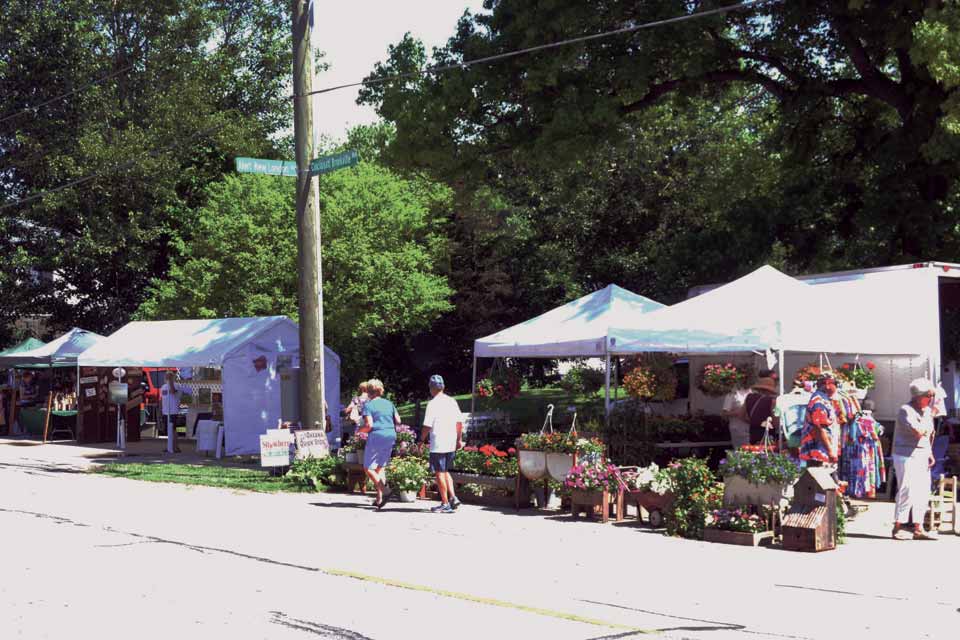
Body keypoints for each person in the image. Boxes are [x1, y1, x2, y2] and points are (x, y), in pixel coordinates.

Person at [891, 379, 938, 541]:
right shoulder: (906, 410)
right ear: (918, 396)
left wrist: (929, 452)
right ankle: (898, 526)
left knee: (923, 491)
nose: (931, 399)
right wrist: (929, 417)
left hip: (921, 454)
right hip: (906, 455)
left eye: (931, 395)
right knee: (907, 490)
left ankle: (919, 527)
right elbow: (918, 432)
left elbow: (929, 435)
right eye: (928, 396)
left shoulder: (926, 411)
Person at [420, 374, 464, 514]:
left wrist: (421, 440)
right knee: (445, 471)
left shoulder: (432, 404)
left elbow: (427, 425)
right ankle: (453, 497)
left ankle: (445, 503)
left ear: (431, 388)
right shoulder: (452, 401)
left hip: (438, 441)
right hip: (451, 441)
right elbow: (459, 423)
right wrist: (459, 440)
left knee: (439, 473)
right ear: (443, 387)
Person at [361, 379, 401, 510]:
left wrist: (359, 431)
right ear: (381, 390)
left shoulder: (368, 405)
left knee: (368, 468)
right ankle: (380, 498)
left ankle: (386, 491)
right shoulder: (389, 403)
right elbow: (398, 421)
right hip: (390, 434)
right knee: (380, 467)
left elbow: (369, 425)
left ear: (368, 391)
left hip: (377, 435)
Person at [800, 372, 841, 466]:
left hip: (821, 451)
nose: (837, 388)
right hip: (818, 453)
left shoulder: (823, 399)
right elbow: (819, 427)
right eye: (836, 384)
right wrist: (830, 451)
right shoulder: (819, 401)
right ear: (827, 384)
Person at [742, 375, 780, 445]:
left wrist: (756, 422)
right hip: (767, 433)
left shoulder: (749, 397)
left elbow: (742, 416)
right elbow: (775, 422)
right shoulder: (772, 401)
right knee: (767, 452)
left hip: (753, 431)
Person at [722, 381, 750, 450]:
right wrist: (738, 412)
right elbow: (724, 414)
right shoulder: (732, 395)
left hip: (750, 427)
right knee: (740, 451)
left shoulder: (751, 392)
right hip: (737, 429)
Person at [160, 371, 183, 454]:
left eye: (170, 376)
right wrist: (160, 410)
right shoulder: (163, 387)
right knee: (168, 430)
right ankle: (169, 446)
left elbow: (173, 392)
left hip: (173, 411)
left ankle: (176, 447)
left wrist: (171, 382)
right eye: (167, 376)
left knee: (173, 429)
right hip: (165, 411)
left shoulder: (177, 385)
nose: (167, 378)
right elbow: (161, 399)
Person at [341, 382, 369, 447]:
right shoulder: (372, 399)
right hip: (369, 424)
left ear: (362, 389)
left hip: (359, 423)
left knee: (359, 444)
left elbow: (348, 409)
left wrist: (343, 412)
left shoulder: (356, 399)